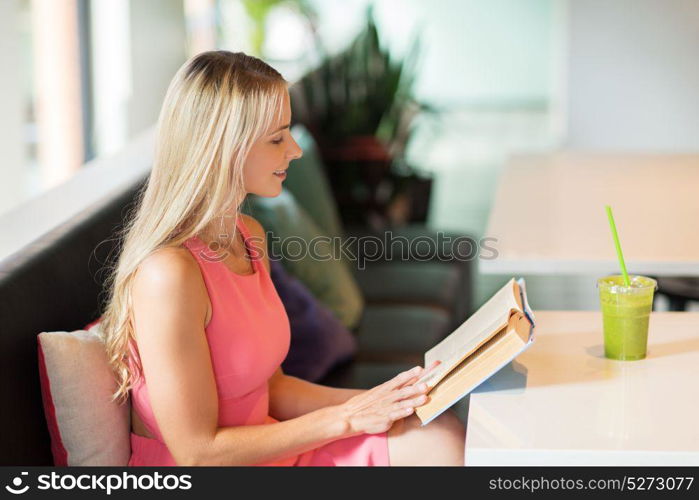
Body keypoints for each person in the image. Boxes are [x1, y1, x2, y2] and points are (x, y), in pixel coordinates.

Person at [101, 50, 465, 466]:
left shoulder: (247, 235)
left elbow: (272, 389)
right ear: (223, 148)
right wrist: (346, 419)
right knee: (438, 447)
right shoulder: (168, 275)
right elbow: (197, 454)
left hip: (270, 447)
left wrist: (390, 400)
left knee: (436, 430)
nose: (294, 150)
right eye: (277, 138)